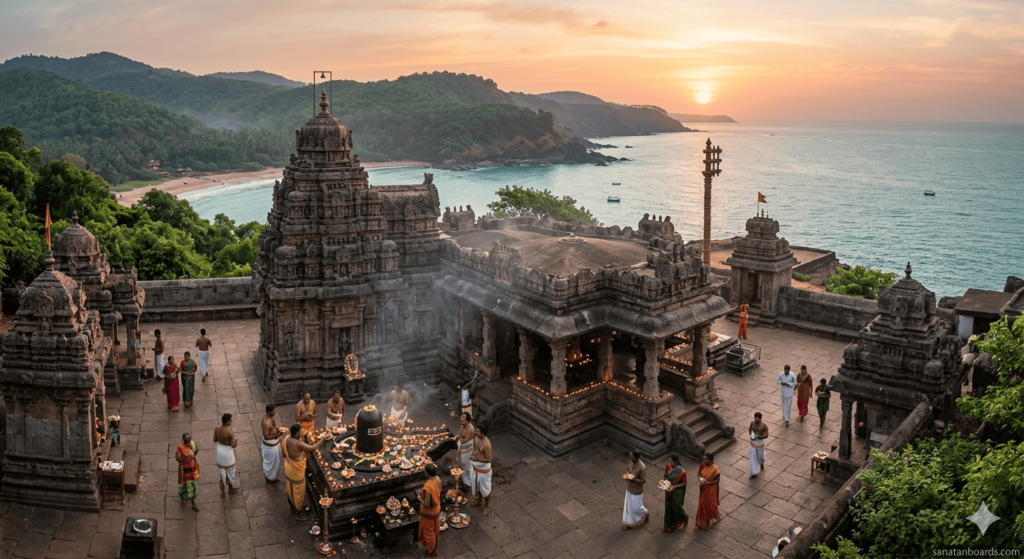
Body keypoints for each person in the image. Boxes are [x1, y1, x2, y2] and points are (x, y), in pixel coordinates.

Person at [283, 424, 328, 520]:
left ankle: (292, 508)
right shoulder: (298, 443)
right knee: (299, 492)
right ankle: (298, 514)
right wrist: (323, 439)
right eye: (300, 431)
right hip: (296, 472)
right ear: (296, 433)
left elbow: (283, 453)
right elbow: (313, 448)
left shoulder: (287, 438)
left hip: (289, 468)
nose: (302, 432)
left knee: (290, 489)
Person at [418, 463, 442, 557]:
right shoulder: (438, 479)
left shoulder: (427, 487)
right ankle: (434, 549)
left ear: (427, 473)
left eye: (425, 471)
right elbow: (438, 493)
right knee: (435, 530)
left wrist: (420, 498)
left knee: (429, 534)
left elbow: (427, 504)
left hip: (430, 512)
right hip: (437, 508)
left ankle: (431, 551)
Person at [469, 424, 493, 517]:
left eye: (477, 431)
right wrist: (473, 455)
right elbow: (475, 449)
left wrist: (477, 459)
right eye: (476, 431)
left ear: (483, 434)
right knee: (477, 484)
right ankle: (479, 501)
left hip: (484, 469)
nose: (475, 432)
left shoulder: (487, 444)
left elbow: (489, 459)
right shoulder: (476, 438)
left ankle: (487, 506)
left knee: (485, 489)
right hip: (476, 467)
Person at [662, 454, 688, 533]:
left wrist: (676, 486)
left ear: (676, 462)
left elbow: (684, 483)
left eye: (671, 462)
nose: (670, 463)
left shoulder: (681, 472)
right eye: (669, 461)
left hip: (677, 491)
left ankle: (684, 517)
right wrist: (664, 483)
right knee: (668, 506)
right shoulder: (668, 466)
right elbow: (665, 477)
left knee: (676, 506)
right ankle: (669, 525)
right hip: (668, 489)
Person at [622, 450, 648, 529]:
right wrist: (627, 475)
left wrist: (633, 479)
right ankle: (629, 523)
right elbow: (627, 469)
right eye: (630, 456)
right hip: (629, 488)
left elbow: (643, 480)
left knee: (636, 507)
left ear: (636, 458)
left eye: (631, 457)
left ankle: (645, 513)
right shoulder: (631, 462)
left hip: (637, 490)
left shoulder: (642, 467)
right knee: (629, 506)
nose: (630, 458)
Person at [214, 413, 238, 496]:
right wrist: (236, 441)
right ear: (227, 421)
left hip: (220, 451)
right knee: (230, 471)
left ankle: (223, 492)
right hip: (228, 453)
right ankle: (230, 489)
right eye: (230, 420)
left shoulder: (217, 428)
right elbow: (233, 445)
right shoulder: (230, 431)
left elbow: (215, 439)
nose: (231, 421)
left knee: (221, 473)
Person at [175, 432, 200, 511]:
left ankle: (192, 502)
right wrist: (187, 457)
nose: (189, 439)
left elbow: (194, 452)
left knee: (193, 484)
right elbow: (178, 458)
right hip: (184, 469)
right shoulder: (180, 447)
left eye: (190, 437)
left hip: (192, 467)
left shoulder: (192, 444)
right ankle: (187, 499)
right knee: (187, 484)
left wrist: (196, 451)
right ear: (184, 439)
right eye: (187, 438)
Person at [695, 452, 720, 530]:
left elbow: (717, 481)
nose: (704, 461)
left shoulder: (715, 469)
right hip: (703, 487)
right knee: (702, 504)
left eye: (706, 459)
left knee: (710, 504)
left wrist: (708, 482)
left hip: (711, 488)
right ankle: (703, 521)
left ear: (711, 460)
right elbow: (698, 473)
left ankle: (716, 515)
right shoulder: (702, 465)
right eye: (703, 459)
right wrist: (700, 478)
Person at [261, 404, 283, 486]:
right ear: (269, 412)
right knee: (269, 464)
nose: (275, 412)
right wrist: (277, 435)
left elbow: (273, 428)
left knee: (276, 462)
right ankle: (268, 480)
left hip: (275, 443)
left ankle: (273, 478)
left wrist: (279, 430)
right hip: (270, 446)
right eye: (274, 411)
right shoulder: (266, 422)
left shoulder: (271, 418)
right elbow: (266, 437)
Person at [456, 412, 475, 490]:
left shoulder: (471, 428)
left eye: (463, 417)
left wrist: (461, 441)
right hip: (463, 448)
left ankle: (469, 483)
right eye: (461, 417)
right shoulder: (462, 426)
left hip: (468, 449)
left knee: (468, 466)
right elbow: (460, 436)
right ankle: (465, 481)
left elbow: (466, 440)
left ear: (467, 420)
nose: (461, 419)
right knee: (464, 464)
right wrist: (461, 440)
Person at [749, 412, 769, 478]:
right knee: (753, 457)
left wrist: (759, 437)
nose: (756, 419)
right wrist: (752, 436)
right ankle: (754, 472)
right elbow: (750, 430)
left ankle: (761, 463)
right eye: (755, 418)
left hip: (760, 442)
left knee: (760, 457)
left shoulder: (764, 425)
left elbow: (766, 435)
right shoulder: (752, 423)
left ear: (760, 419)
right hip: (753, 442)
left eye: (758, 418)